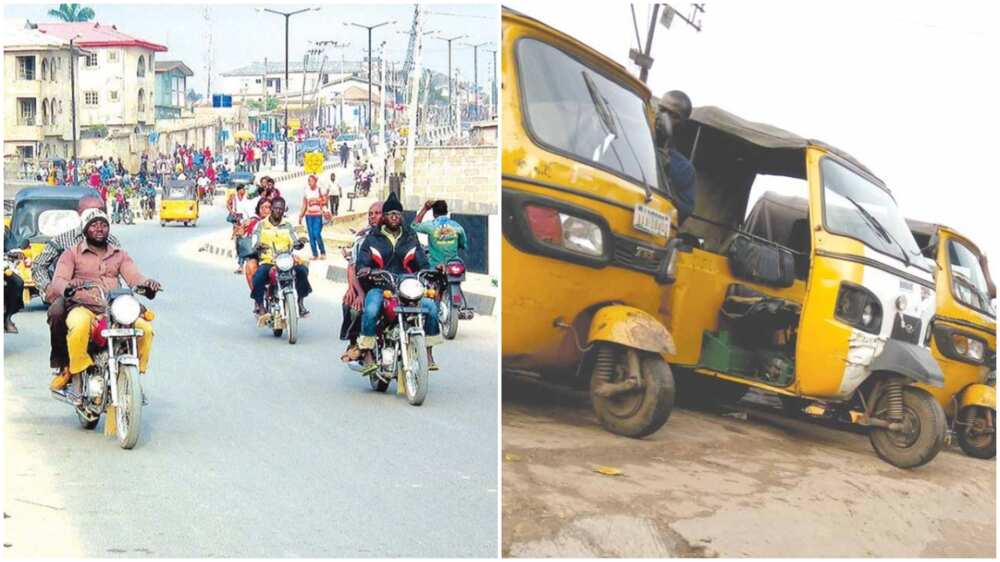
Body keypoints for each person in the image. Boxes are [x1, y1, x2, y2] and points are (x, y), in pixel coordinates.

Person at [46, 209, 160, 391]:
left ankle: (132, 375)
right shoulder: (71, 253)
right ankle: (75, 370)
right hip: (83, 305)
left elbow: (134, 277)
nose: (99, 228)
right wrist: (67, 287)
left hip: (114, 309)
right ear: (84, 230)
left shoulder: (119, 254)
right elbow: (59, 279)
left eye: (104, 225)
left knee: (144, 329)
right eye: (94, 225)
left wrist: (147, 283)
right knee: (78, 324)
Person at [33, 196, 123, 378]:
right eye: (90, 213)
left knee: (129, 318)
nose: (96, 216)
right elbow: (39, 265)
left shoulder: (112, 240)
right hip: (70, 293)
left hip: (103, 294)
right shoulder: (63, 240)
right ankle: (63, 365)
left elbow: (121, 268)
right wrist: (48, 287)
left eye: (101, 211)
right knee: (56, 313)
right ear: (79, 215)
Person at [356, 192, 441, 372]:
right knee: (371, 310)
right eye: (390, 214)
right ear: (384, 217)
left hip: (407, 287)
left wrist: (430, 271)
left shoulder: (410, 237)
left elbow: (421, 261)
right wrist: (367, 270)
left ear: (401, 216)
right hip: (381, 286)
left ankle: (428, 352)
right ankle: (368, 352)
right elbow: (361, 263)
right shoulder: (372, 238)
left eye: (397, 213)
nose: (394, 217)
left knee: (432, 307)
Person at [249, 197, 312, 321]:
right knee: (258, 277)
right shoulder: (261, 225)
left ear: (284, 211)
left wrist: (299, 243)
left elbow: (295, 239)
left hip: (287, 260)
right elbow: (254, 242)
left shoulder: (288, 225)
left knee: (302, 271)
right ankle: (260, 306)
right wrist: (258, 246)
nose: (278, 211)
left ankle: (300, 302)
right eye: (276, 208)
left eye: (281, 209)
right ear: (271, 208)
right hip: (269, 261)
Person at [340, 201, 382, 362]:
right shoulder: (363, 237)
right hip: (367, 284)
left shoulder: (400, 234)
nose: (373, 216)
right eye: (370, 214)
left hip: (394, 284)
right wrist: (355, 290)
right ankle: (353, 343)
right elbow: (353, 265)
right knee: (353, 305)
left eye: (377, 213)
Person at [657, 89, 696, 224]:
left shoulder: (684, 168)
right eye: (661, 109)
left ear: (682, 123)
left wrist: (665, 176)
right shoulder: (632, 142)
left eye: (672, 115)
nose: (663, 117)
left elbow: (681, 214)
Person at [412, 200, 468, 269]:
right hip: (453, 266)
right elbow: (463, 245)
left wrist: (425, 208)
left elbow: (414, 225)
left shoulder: (430, 226)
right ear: (446, 212)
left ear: (433, 213)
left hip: (434, 266)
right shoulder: (457, 227)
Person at [298, 175, 328, 261]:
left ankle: (323, 252)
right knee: (311, 235)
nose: (309, 182)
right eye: (308, 180)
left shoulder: (320, 190)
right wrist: (301, 216)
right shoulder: (306, 191)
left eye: (311, 180)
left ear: (315, 181)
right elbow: (304, 204)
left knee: (316, 234)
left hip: (318, 215)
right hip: (309, 215)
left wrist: (316, 200)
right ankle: (315, 254)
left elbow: (325, 200)